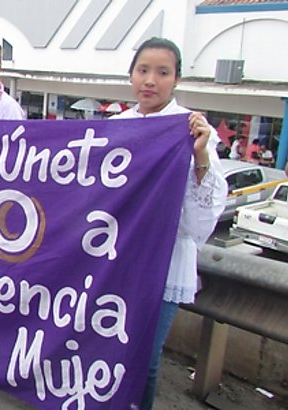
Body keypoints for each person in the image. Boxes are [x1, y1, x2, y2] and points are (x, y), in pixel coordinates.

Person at [111, 37, 227, 410]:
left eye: (162, 72)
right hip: (115, 260)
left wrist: (201, 157)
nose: (150, 80)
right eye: (143, 70)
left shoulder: (192, 130)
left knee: (145, 360)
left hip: (164, 265)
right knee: (107, 352)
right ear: (131, 76)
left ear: (176, 79)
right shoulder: (115, 127)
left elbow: (198, 224)